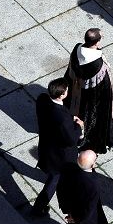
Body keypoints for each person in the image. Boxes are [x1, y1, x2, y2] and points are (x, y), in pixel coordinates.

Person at [66, 29, 113, 153]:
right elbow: (105, 88)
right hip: (92, 98)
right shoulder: (98, 64)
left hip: (77, 91)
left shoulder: (77, 49)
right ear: (97, 43)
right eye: (101, 37)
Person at [32, 78, 84, 216]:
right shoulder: (62, 118)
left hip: (47, 147)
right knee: (54, 180)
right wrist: (78, 126)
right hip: (60, 156)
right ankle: (38, 208)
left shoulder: (43, 99)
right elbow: (71, 139)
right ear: (62, 95)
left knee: (54, 176)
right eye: (66, 90)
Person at [51, 150, 107, 224]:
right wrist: (77, 218)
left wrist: (68, 211)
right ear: (93, 165)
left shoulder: (69, 169)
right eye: (95, 158)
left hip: (72, 208)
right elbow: (90, 208)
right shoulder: (93, 183)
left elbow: (60, 189)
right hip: (84, 216)